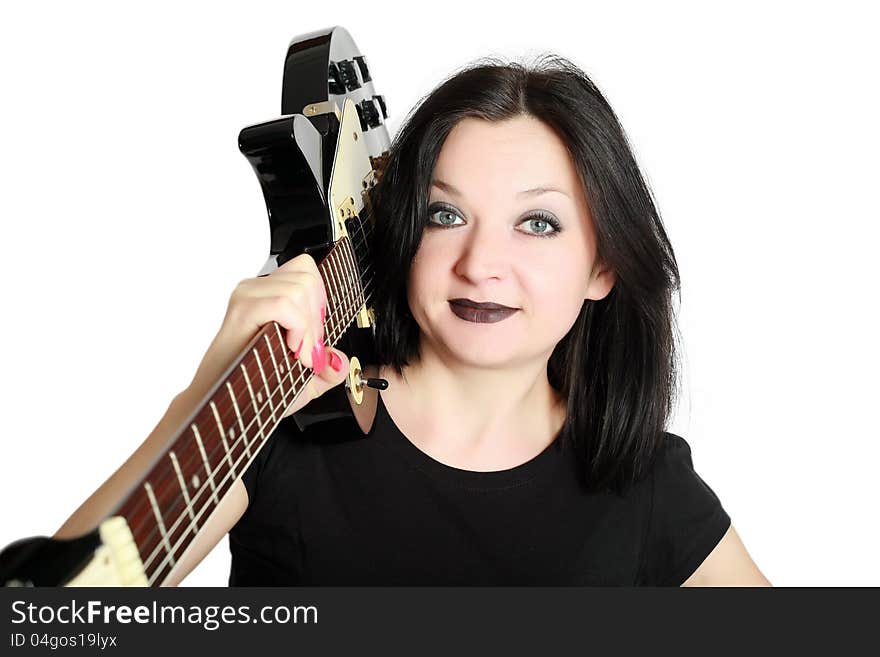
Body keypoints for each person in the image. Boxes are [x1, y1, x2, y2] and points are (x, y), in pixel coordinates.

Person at [55, 55, 771, 586]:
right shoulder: (287, 428)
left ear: (603, 267)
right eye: (445, 214)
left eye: (538, 222)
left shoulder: (646, 482)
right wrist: (203, 395)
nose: (481, 261)